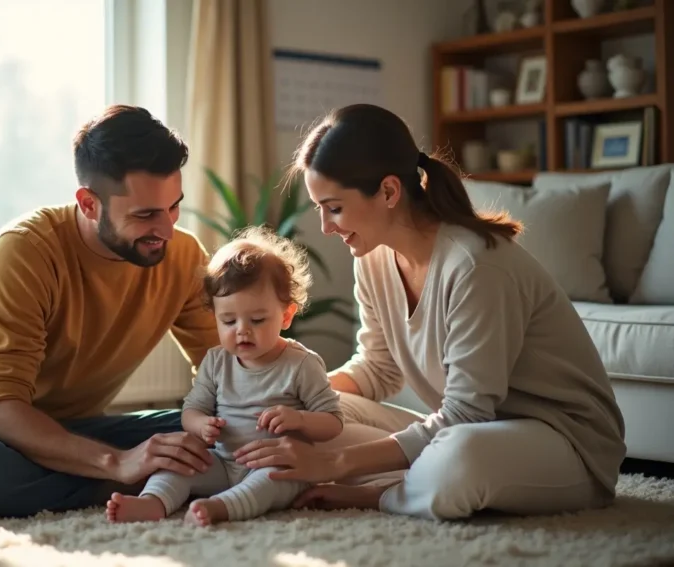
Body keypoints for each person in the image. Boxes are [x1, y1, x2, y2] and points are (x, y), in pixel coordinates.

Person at [232, 103, 627, 521]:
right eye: (320, 209)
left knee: (457, 459)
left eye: (335, 208)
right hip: (469, 430)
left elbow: (466, 416)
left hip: (565, 446)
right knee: (306, 417)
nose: (327, 227)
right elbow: (378, 369)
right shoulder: (372, 256)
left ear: (388, 192)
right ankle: (408, 481)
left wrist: (336, 464)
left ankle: (382, 492)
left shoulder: (475, 266)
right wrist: (290, 394)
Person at [0, 104, 223, 519]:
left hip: (69, 426)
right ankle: (143, 477)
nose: (166, 230)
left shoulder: (183, 255)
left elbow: (226, 368)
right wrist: (116, 462)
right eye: (145, 214)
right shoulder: (24, 251)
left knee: (231, 429)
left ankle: (110, 472)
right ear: (89, 204)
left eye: (173, 207)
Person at [106, 227, 344, 526]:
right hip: (222, 461)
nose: (242, 330)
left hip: (278, 465)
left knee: (270, 481)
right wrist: (201, 425)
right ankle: (151, 503)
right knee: (177, 466)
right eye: (228, 321)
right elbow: (192, 411)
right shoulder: (216, 361)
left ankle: (222, 506)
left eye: (257, 319)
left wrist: (299, 420)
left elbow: (333, 422)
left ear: (285, 315)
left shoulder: (301, 364)